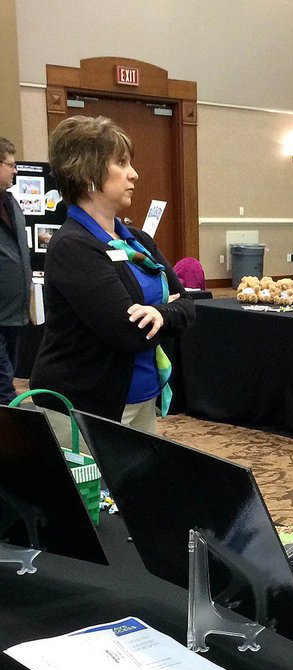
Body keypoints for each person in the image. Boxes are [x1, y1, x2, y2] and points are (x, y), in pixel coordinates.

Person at [30, 116, 194, 433]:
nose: (134, 173)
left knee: (139, 482)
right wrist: (168, 313)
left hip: (142, 399)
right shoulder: (72, 246)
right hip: (85, 407)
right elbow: (128, 333)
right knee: (95, 485)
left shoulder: (137, 240)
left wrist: (160, 314)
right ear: (88, 173)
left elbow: (187, 305)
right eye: (121, 163)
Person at [0, 137, 32, 405]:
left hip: (14, 313)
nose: (15, 170)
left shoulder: (12, 204)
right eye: (11, 164)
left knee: (6, 379)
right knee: (4, 388)